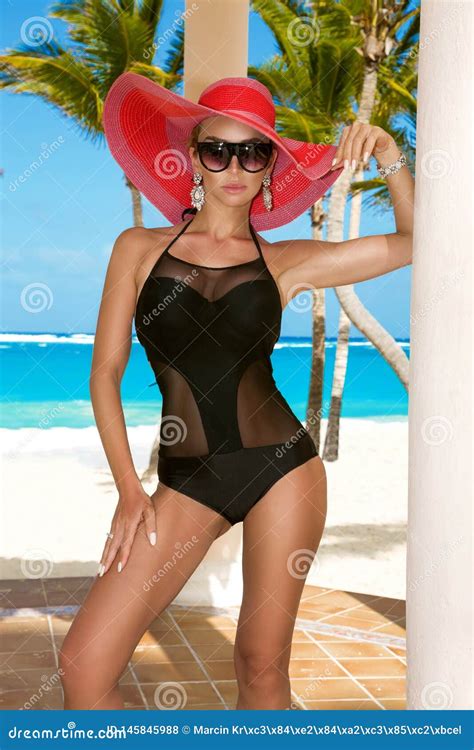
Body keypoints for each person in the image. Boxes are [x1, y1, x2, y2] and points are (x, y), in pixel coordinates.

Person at [59, 74, 414, 710]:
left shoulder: (286, 262)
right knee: (84, 669)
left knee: (260, 667)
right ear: (193, 156)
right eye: (217, 149)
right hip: (188, 479)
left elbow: (416, 243)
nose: (233, 166)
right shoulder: (137, 250)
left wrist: (389, 153)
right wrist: (128, 490)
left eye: (252, 153)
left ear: (268, 167)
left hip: (283, 469)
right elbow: (104, 374)